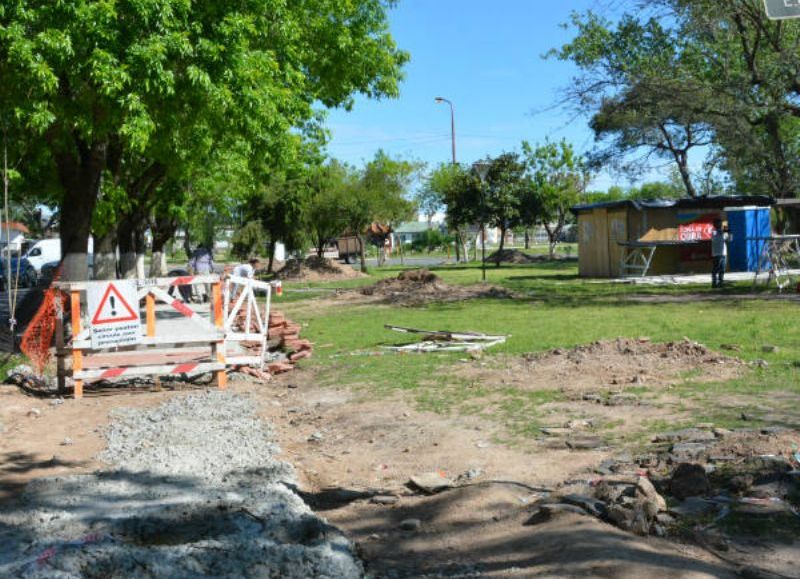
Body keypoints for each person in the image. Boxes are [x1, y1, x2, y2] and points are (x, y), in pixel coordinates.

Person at [711, 219, 732, 288]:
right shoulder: (713, 232)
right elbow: (715, 239)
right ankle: (714, 282)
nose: (720, 225)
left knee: (722, 269)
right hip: (716, 254)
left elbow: (729, 240)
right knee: (715, 269)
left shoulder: (723, 233)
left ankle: (721, 282)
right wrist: (722, 232)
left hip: (723, 253)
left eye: (720, 224)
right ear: (715, 225)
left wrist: (729, 233)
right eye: (718, 224)